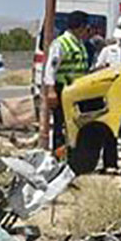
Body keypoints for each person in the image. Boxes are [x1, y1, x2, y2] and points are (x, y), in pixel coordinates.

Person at [41, 10, 92, 151]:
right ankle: (59, 154)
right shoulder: (61, 44)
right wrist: (51, 91)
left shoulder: (79, 43)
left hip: (77, 90)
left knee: (75, 123)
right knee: (61, 124)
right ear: (80, 27)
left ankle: (74, 152)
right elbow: (51, 69)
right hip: (63, 89)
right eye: (86, 27)